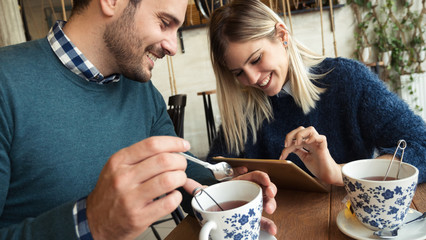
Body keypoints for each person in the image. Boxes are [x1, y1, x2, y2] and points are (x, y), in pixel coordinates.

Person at [0, 0, 278, 239]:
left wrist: (228, 197)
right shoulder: (7, 84)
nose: (171, 47)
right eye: (164, 22)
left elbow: (185, 171)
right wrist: (92, 221)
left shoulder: (142, 93)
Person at [206, 0, 426, 186]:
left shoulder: (348, 80)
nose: (252, 79)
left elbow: (421, 146)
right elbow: (211, 173)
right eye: (238, 73)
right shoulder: (243, 105)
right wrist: (227, 180)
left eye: (256, 59)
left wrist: (339, 172)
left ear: (282, 35)